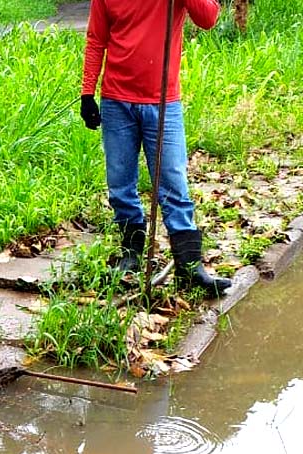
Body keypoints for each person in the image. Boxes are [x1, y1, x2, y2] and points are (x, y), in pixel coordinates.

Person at [80, 0, 231, 297]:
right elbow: (97, 39)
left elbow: (208, 17)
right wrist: (87, 92)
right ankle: (131, 255)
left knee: (173, 184)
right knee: (120, 185)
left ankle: (189, 268)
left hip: (164, 102)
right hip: (116, 100)